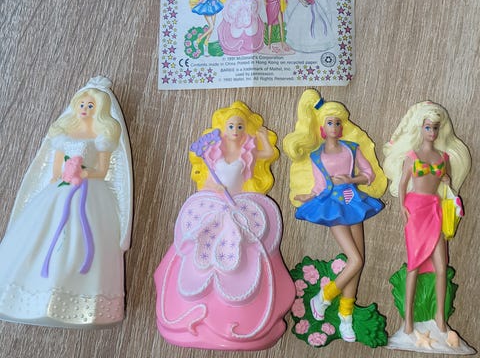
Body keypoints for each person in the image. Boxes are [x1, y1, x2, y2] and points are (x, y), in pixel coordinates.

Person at [155, 101, 295, 350]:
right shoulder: (212, 154)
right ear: (223, 129)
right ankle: (189, 317)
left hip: (239, 208)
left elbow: (266, 154)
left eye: (240, 126)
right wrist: (214, 187)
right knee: (198, 253)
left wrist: (262, 137)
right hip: (212, 207)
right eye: (231, 125)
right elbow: (208, 180)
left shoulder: (246, 155)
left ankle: (245, 321)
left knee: (245, 258)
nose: (235, 130)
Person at [0, 76, 132, 327]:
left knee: (83, 236)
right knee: (43, 231)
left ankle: (78, 297)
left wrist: (83, 172)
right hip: (59, 190)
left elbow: (102, 170)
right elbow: (55, 169)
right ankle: (31, 292)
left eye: (90, 106)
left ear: (100, 110)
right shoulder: (64, 134)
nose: (84, 109)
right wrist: (62, 177)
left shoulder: (102, 137)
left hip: (89, 193)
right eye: (82, 104)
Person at [283, 89, 386, 342]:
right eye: (330, 122)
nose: (335, 126)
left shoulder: (352, 148)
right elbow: (320, 186)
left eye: (338, 123)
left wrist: (351, 179)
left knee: (358, 262)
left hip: (353, 200)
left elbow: (368, 175)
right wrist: (307, 196)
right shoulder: (317, 156)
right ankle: (324, 296)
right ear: (322, 128)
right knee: (355, 260)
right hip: (332, 205)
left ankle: (345, 316)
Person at [383, 101, 471, 338]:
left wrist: (447, 181)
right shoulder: (412, 156)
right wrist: (402, 207)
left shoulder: (443, 157)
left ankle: (440, 317)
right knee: (414, 264)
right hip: (415, 210)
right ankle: (408, 320)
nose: (431, 132)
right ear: (420, 128)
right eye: (428, 127)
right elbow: (403, 184)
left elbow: (446, 179)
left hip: (434, 209)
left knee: (441, 266)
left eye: (435, 128)